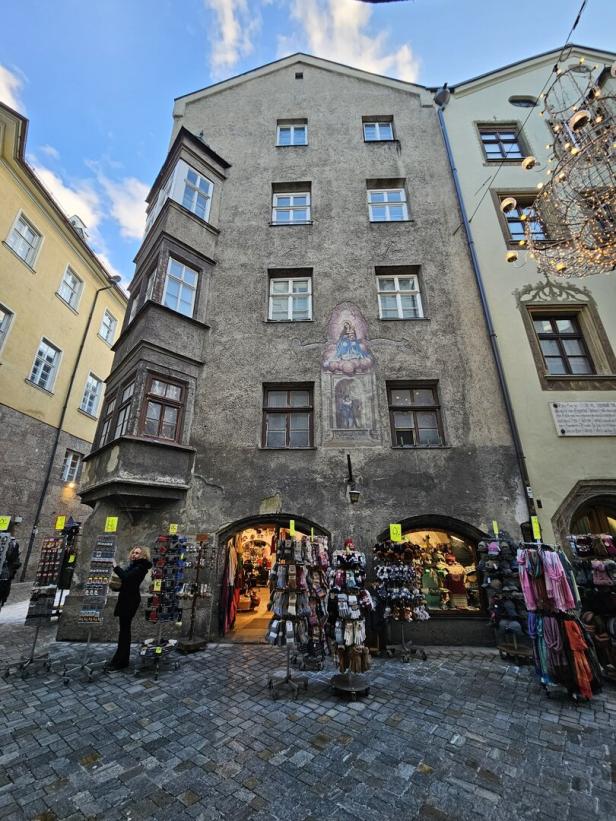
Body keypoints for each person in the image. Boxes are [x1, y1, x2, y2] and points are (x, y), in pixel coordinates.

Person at [109, 545, 152, 670]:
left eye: (137, 553)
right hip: (126, 598)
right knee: (123, 631)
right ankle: (120, 659)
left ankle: (121, 661)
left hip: (130, 600)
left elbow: (126, 577)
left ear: (143, 555)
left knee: (125, 632)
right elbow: (127, 583)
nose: (134, 554)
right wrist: (117, 587)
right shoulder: (134, 566)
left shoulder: (140, 567)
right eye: (133, 552)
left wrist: (115, 566)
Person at [0, 537, 21, 610]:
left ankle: (2, 601)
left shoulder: (14, 545)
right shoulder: (15, 545)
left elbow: (15, 560)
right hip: (7, 573)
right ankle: (2, 601)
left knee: (3, 589)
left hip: (7, 573)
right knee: (4, 590)